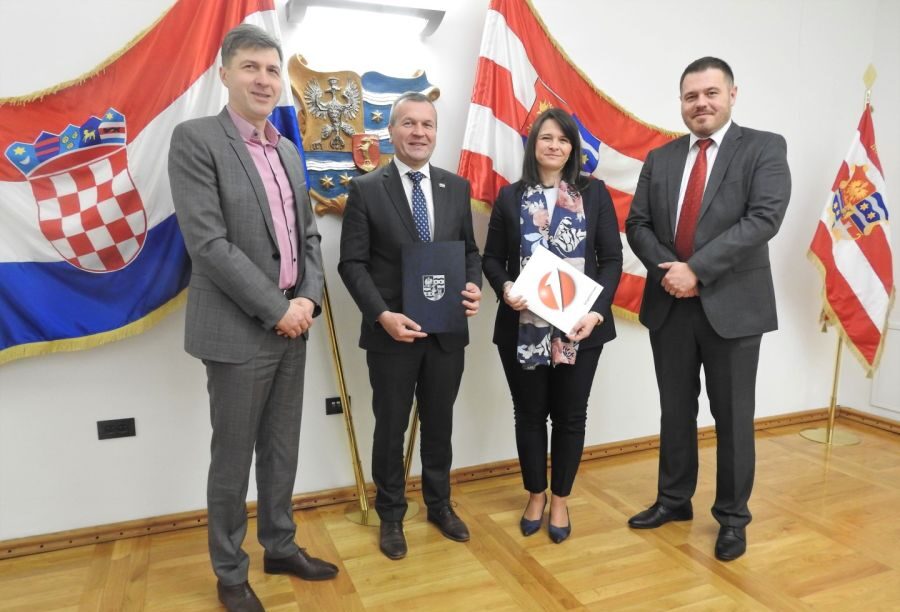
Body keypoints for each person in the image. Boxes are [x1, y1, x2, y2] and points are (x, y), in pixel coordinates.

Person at [168, 24, 338, 612]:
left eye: (271, 69)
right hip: (239, 330)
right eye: (250, 67)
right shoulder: (196, 140)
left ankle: (280, 546)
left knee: (282, 448)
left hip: (295, 322)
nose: (263, 80)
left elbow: (309, 236)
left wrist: (307, 300)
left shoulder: (286, 149)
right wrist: (277, 310)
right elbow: (209, 244)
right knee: (233, 459)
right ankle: (230, 572)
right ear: (225, 74)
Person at [624, 57, 791, 561]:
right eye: (691, 96)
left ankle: (733, 518)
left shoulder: (764, 147)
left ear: (732, 95)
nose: (701, 103)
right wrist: (670, 271)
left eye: (711, 93)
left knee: (733, 416)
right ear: (681, 102)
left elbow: (763, 219)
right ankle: (674, 500)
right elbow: (637, 224)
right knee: (675, 409)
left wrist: (695, 269)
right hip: (670, 305)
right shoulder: (660, 157)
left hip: (733, 308)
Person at [338, 92, 482, 560]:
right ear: (391, 131)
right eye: (409, 123)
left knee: (440, 424)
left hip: (446, 333)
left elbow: (469, 252)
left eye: (427, 124)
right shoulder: (366, 189)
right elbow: (352, 264)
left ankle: (440, 506)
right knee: (391, 427)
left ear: (436, 132)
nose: (419, 132)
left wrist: (474, 286)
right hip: (391, 334)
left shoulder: (455, 187)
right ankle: (391, 515)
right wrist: (382, 315)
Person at [482, 108, 623, 543]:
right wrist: (505, 287)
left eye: (563, 139)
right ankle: (536, 495)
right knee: (528, 415)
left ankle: (560, 499)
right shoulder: (510, 197)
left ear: (572, 148)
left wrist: (595, 312)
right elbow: (492, 258)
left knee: (570, 417)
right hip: (521, 327)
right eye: (547, 137)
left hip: (580, 328)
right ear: (533, 144)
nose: (555, 146)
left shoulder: (594, 194)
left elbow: (612, 259)